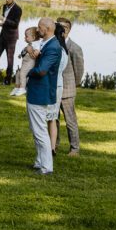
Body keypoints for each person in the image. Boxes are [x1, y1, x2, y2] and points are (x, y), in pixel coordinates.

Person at [24, 17, 62, 175]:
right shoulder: (46, 43)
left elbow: (41, 70)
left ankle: (46, 167)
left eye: (40, 27)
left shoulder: (53, 47)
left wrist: (26, 72)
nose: (37, 29)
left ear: (47, 29)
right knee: (36, 129)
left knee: (40, 131)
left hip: (41, 92)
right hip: (36, 91)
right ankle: (40, 161)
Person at [55, 17, 85, 157]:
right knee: (53, 119)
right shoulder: (53, 44)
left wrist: (74, 84)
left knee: (70, 121)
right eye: (59, 26)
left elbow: (79, 70)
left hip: (67, 90)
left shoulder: (74, 48)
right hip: (54, 89)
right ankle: (54, 145)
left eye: (65, 27)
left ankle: (74, 149)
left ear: (69, 30)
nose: (62, 30)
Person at [45, 22, 71, 159]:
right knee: (53, 118)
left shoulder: (55, 50)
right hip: (59, 86)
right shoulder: (64, 51)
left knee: (46, 117)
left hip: (51, 85)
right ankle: (52, 147)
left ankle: (47, 147)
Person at [10, 27, 42, 96]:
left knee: (22, 74)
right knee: (18, 73)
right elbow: (25, 51)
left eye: (26, 36)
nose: (25, 38)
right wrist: (21, 54)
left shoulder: (37, 44)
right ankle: (17, 87)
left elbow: (36, 53)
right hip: (24, 63)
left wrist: (33, 52)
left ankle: (22, 88)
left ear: (33, 37)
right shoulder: (30, 44)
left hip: (30, 63)